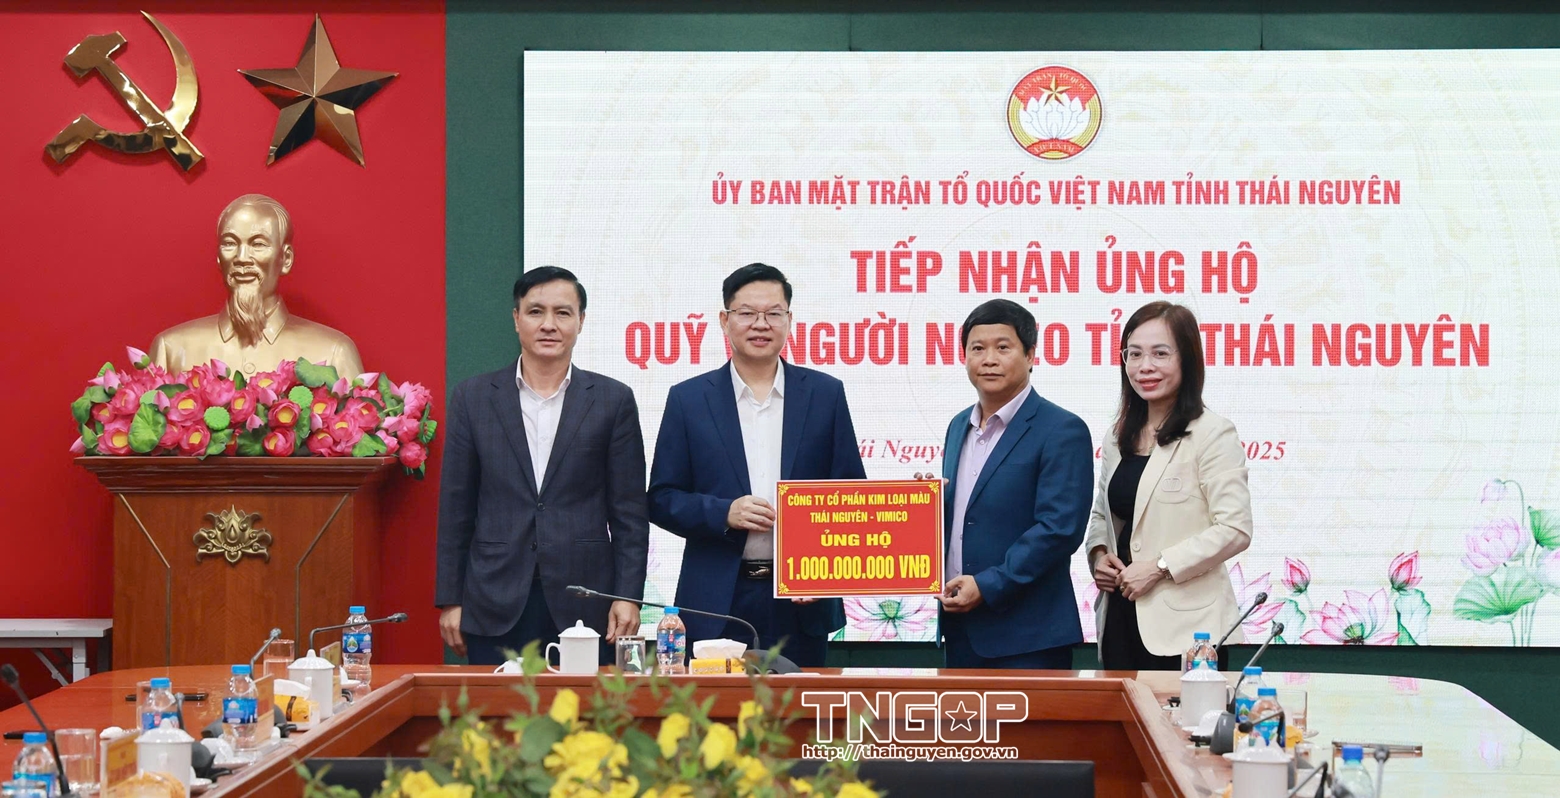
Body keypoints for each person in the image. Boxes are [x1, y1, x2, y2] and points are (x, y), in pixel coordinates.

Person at [649, 263, 866, 667]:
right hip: (718, 598)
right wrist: (723, 513)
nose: (761, 324)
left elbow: (851, 495)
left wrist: (824, 571)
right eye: (747, 313)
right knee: (716, 707)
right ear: (724, 320)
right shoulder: (689, 400)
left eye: (773, 313)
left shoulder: (825, 395)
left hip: (802, 598)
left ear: (789, 319)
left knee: (800, 706)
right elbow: (661, 498)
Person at [435, 267, 649, 665]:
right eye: (536, 311)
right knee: (496, 706)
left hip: (587, 601)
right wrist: (450, 599)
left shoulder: (612, 399)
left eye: (563, 313)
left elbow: (630, 513)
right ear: (516, 319)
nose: (549, 324)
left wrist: (627, 596)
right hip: (493, 598)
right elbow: (456, 507)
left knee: (585, 706)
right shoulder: (473, 398)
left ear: (581, 321)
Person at [1085, 301, 1253, 670]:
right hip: (1120, 616)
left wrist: (1159, 567)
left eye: (1160, 353)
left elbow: (1235, 529)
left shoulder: (1212, 433)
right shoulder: (1117, 436)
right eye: (1134, 354)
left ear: (1187, 360)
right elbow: (1102, 514)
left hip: (1188, 629)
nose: (1145, 366)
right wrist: (1098, 555)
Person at [936, 299, 1093, 669]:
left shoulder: (1061, 429)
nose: (989, 359)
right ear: (964, 356)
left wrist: (988, 585)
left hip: (1028, 637)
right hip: (960, 630)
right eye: (978, 348)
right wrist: (925, 504)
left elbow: (1059, 529)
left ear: (1031, 355)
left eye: (1003, 347)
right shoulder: (959, 426)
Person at [149, 194, 364, 378]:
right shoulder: (171, 350)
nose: (242, 258)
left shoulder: (333, 352)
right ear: (218, 258)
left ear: (286, 259)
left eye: (258, 244)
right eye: (230, 243)